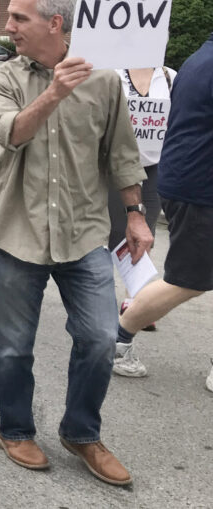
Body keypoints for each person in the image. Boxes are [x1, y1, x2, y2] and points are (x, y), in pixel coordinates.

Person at [0, 0, 150, 486]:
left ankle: (81, 432)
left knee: (101, 338)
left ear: (56, 23)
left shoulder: (104, 81)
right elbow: (12, 133)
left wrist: (136, 212)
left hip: (84, 235)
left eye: (19, 18)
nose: (7, 26)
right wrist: (54, 92)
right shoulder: (1, 78)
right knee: (13, 346)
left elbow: (120, 152)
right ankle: (15, 429)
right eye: (10, 16)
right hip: (19, 233)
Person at [113, 32, 213, 387]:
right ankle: (118, 339)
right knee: (187, 282)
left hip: (181, 178)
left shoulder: (191, 61)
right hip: (197, 189)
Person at [106, 66, 175, 330]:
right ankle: (100, 297)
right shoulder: (114, 74)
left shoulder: (170, 76)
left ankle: (134, 298)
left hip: (155, 165)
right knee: (114, 232)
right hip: (116, 164)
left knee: (147, 231)